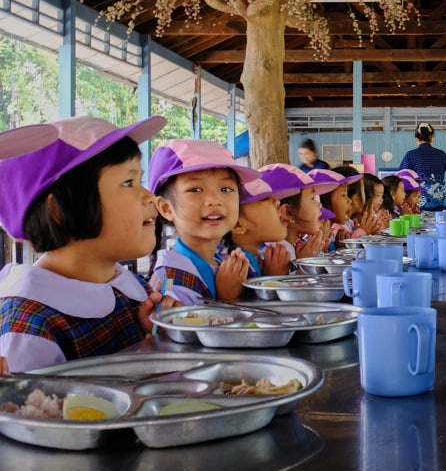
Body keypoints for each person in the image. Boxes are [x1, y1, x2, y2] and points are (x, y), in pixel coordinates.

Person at [0, 116, 176, 372]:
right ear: (60, 210)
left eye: (141, 180)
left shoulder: (133, 288)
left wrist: (155, 332)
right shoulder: (29, 329)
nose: (150, 196)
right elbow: (34, 408)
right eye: (128, 183)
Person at [148, 139, 262, 306]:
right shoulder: (172, 279)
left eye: (226, 189)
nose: (215, 200)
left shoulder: (222, 262)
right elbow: (180, 331)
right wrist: (226, 300)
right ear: (166, 209)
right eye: (195, 189)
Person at [258, 164, 338, 262]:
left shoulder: (293, 248)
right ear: (288, 212)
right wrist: (304, 264)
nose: (320, 205)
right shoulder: (275, 253)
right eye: (312, 198)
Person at [224, 176, 291, 279]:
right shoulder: (236, 266)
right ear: (237, 224)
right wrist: (272, 279)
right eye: (265, 199)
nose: (277, 202)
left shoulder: (259, 256)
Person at [399, 123, 446, 211]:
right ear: (432, 136)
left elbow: (401, 178)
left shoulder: (410, 155)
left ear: (416, 138)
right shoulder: (441, 155)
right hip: (440, 204)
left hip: (418, 205)